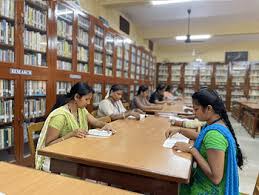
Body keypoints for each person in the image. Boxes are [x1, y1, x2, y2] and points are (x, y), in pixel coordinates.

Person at [165, 88, 243, 195]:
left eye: (196, 109)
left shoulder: (214, 136)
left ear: (209, 109)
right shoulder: (216, 123)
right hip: (207, 183)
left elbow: (216, 178)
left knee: (172, 181)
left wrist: (191, 150)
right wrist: (180, 130)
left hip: (209, 190)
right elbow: (201, 137)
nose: (194, 112)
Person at [35, 82, 114, 171]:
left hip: (74, 152)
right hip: (57, 159)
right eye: (86, 99)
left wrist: (106, 125)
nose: (88, 103)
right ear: (76, 97)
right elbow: (49, 145)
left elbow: (94, 121)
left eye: (90, 100)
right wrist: (71, 134)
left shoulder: (81, 109)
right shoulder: (60, 116)